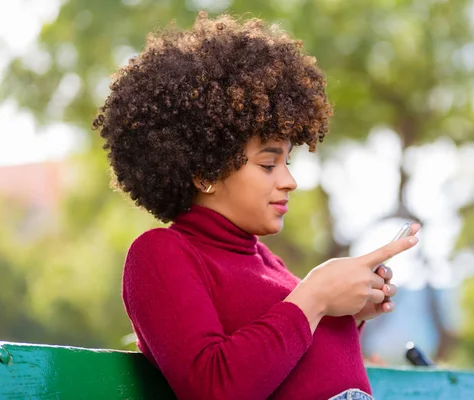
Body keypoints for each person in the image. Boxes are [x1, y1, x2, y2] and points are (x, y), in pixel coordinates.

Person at [92, 11, 419, 400]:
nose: (289, 181)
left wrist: (346, 312)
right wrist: (314, 297)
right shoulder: (160, 255)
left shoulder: (268, 261)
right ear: (204, 171)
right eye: (268, 164)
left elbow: (292, 358)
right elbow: (213, 387)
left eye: (288, 162)